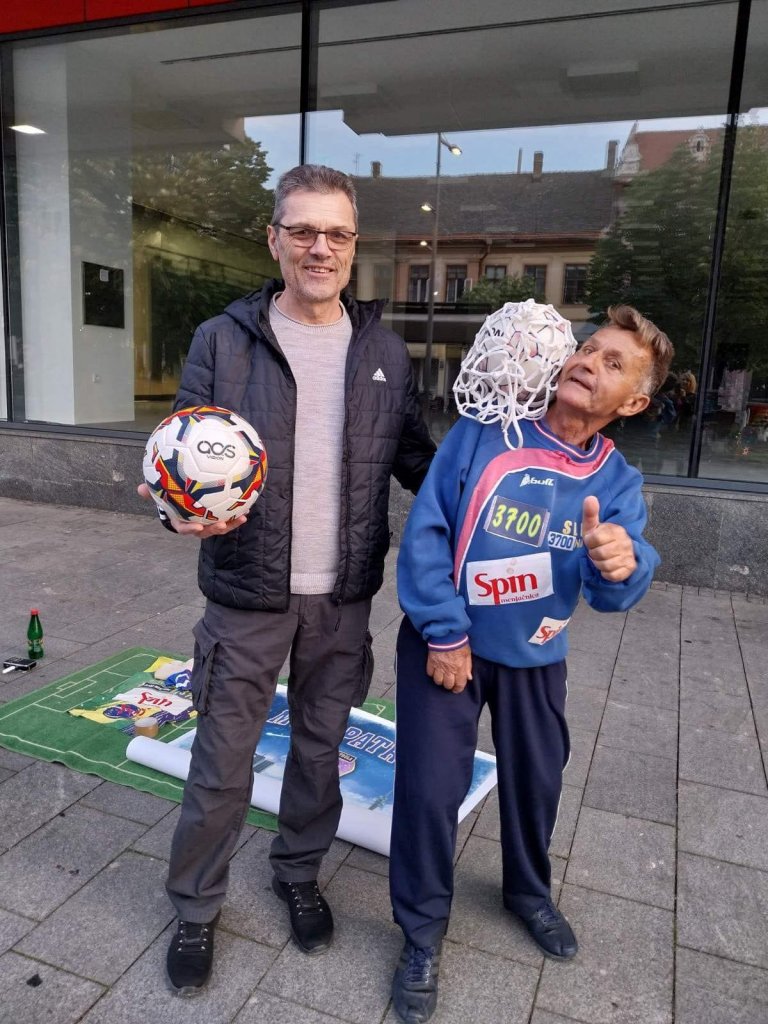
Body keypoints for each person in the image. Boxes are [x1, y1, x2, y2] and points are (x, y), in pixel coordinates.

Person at [138, 164, 435, 996]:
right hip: (246, 592)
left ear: (354, 246)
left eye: (336, 233)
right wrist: (173, 513)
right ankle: (195, 909)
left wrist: (496, 494)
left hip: (343, 597)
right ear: (274, 240)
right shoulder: (222, 340)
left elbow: (419, 461)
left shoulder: (383, 350)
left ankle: (298, 872)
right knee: (221, 761)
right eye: (302, 230)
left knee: (319, 750)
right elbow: (178, 450)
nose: (319, 247)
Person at [388, 304, 673, 1024]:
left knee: (538, 782)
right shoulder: (487, 432)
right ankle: (421, 932)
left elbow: (615, 591)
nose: (589, 362)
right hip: (446, 648)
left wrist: (623, 562)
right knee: (429, 790)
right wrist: (444, 633)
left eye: (614, 363)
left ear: (633, 404)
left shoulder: (617, 483)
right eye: (589, 348)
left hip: (536, 655)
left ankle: (527, 893)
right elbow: (427, 533)